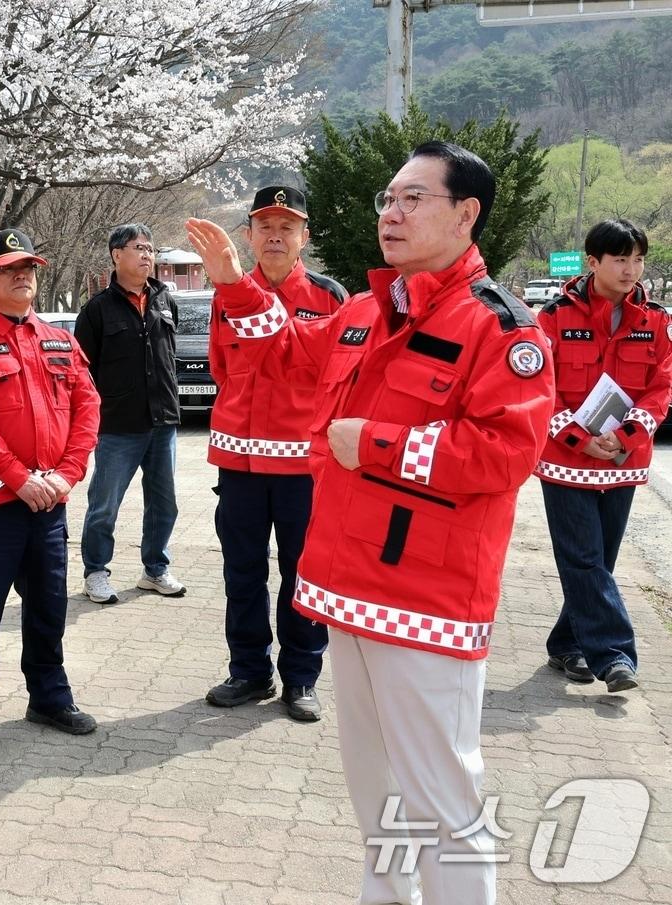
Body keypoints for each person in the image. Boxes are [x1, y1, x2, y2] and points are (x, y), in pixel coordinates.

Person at [186, 142, 555, 905]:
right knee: (376, 793)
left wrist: (376, 444)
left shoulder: (502, 328)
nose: (391, 212)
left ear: (466, 213)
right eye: (388, 199)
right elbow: (286, 352)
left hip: (427, 600)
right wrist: (233, 287)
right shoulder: (363, 311)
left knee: (445, 804)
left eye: (413, 198)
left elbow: (506, 453)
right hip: (345, 590)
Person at [0, 229, 101, 756]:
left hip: (50, 503)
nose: (22, 275)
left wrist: (67, 473)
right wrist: (18, 478)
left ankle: (49, 697)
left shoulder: (59, 339)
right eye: (9, 268)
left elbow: (88, 408)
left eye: (28, 266)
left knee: (49, 607)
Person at [204, 186, 346, 722]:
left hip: (302, 470)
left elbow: (337, 379)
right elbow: (223, 369)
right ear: (248, 236)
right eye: (266, 226)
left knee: (302, 572)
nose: (276, 236)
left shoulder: (329, 297)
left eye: (287, 227)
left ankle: (301, 676)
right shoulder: (226, 294)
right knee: (242, 572)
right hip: (238, 465)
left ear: (304, 237)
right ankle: (248, 670)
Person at [536, 219, 671, 693]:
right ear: (593, 262)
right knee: (585, 560)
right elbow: (539, 387)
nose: (631, 269)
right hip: (565, 463)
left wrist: (629, 434)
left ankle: (565, 644)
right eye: (620, 259)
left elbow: (661, 387)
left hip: (623, 462)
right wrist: (575, 436)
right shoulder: (552, 317)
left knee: (598, 564)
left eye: (638, 259)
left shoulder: (656, 320)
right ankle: (613, 656)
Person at [73, 224, 184, 604]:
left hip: (163, 421)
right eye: (139, 248)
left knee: (164, 503)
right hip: (118, 426)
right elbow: (81, 374)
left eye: (151, 249)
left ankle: (155, 570)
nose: (147, 255)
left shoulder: (165, 300)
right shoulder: (96, 311)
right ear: (116, 254)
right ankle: (96, 571)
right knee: (104, 505)